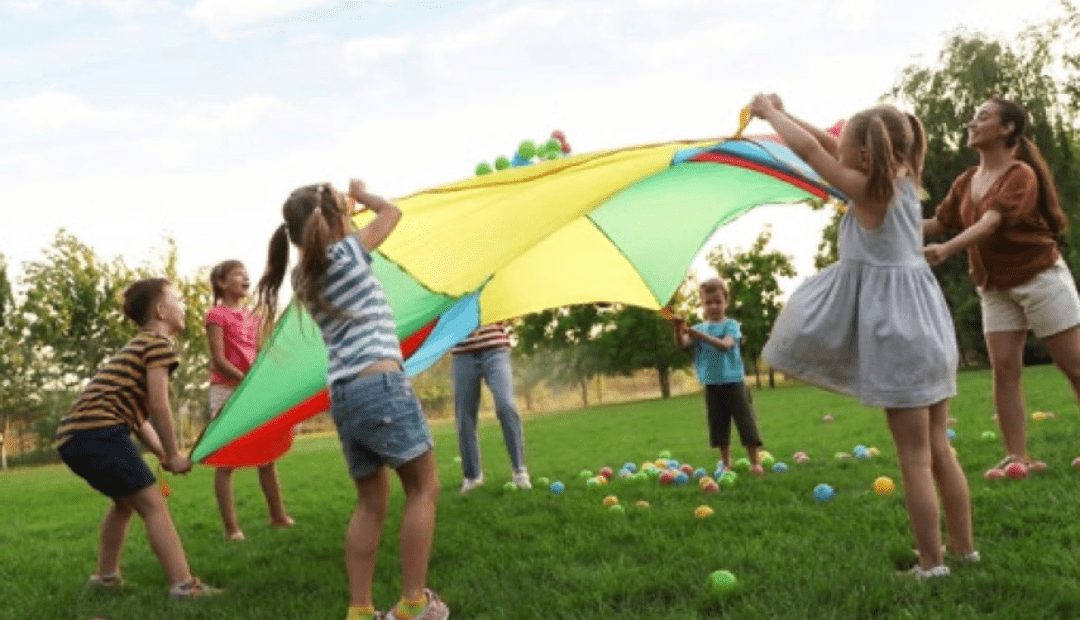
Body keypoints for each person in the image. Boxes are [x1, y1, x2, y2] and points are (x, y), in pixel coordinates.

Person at [752, 95, 976, 578]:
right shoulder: (905, 181)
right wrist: (785, 113)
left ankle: (932, 563)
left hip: (900, 333)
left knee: (914, 458)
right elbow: (829, 144)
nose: (839, 153)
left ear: (866, 156)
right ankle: (962, 547)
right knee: (939, 449)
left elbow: (813, 153)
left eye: (849, 148)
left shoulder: (869, 194)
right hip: (930, 327)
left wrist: (770, 115)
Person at [254, 179, 447, 620]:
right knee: (423, 487)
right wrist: (365, 196)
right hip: (380, 384)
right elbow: (393, 214)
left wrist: (343, 209)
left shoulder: (304, 276)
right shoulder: (349, 252)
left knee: (370, 503)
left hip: (343, 395)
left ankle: (360, 611)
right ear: (338, 219)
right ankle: (414, 604)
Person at [923, 97, 1079, 478]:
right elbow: (937, 223)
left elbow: (992, 221)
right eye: (973, 117)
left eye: (982, 117)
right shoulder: (965, 181)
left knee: (1075, 366)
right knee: (1004, 371)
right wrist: (879, 222)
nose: (971, 123)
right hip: (993, 287)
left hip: (1039, 277)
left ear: (1007, 128)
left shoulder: (1019, 174)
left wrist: (948, 249)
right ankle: (1017, 457)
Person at [54, 278, 223, 597]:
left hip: (74, 437)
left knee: (124, 503)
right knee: (153, 505)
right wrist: (173, 454)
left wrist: (161, 454)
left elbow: (136, 419)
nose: (184, 304)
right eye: (178, 299)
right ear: (161, 311)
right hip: (100, 432)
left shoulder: (135, 346)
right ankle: (185, 587)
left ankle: (106, 578)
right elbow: (160, 405)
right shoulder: (158, 346)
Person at [205, 259, 294, 540]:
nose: (245, 278)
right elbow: (218, 360)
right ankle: (232, 529)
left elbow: (259, 353)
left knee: (266, 456)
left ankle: (278, 516)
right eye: (237, 274)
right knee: (226, 461)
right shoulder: (216, 315)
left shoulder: (252, 316)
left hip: (251, 389)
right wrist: (246, 383)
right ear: (221, 283)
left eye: (246, 273)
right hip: (227, 390)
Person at [671, 278, 764, 477]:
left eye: (717, 301)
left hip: (734, 382)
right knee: (719, 426)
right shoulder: (699, 328)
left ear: (726, 302)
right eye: (708, 302)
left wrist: (700, 336)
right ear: (702, 305)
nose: (713, 306)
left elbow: (725, 345)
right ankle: (725, 464)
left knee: (745, 422)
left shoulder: (731, 325)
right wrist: (678, 328)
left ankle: (755, 462)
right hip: (712, 385)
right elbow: (681, 344)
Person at [452, 323, 530, 493]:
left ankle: (519, 470)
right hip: (462, 352)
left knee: (506, 405)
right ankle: (472, 477)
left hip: (495, 349)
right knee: (464, 415)